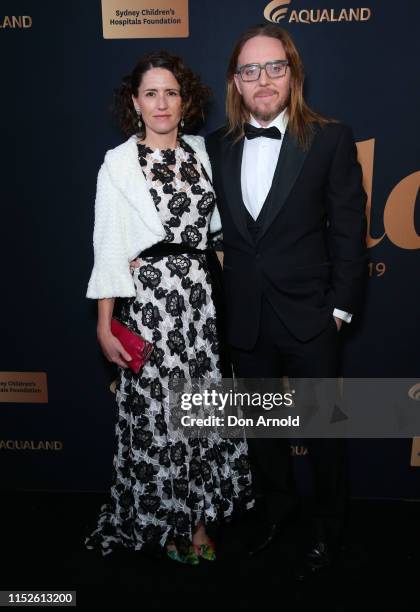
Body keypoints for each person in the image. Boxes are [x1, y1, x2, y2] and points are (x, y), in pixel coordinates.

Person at [205, 24, 367, 575]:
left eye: (274, 67)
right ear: (236, 82)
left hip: (310, 317)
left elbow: (349, 231)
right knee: (261, 433)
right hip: (245, 316)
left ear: (292, 73)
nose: (263, 79)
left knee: (323, 434)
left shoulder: (329, 138)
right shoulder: (218, 146)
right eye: (250, 70)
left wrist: (339, 309)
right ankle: (276, 514)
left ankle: (330, 529)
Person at [85, 51, 254, 564]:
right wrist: (104, 323)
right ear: (135, 102)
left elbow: (225, 228)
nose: (162, 103)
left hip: (202, 305)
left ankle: (199, 520)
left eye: (171, 93)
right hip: (151, 306)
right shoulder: (118, 163)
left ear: (186, 102)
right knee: (160, 419)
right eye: (151, 93)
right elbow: (109, 246)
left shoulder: (206, 153)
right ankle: (168, 522)